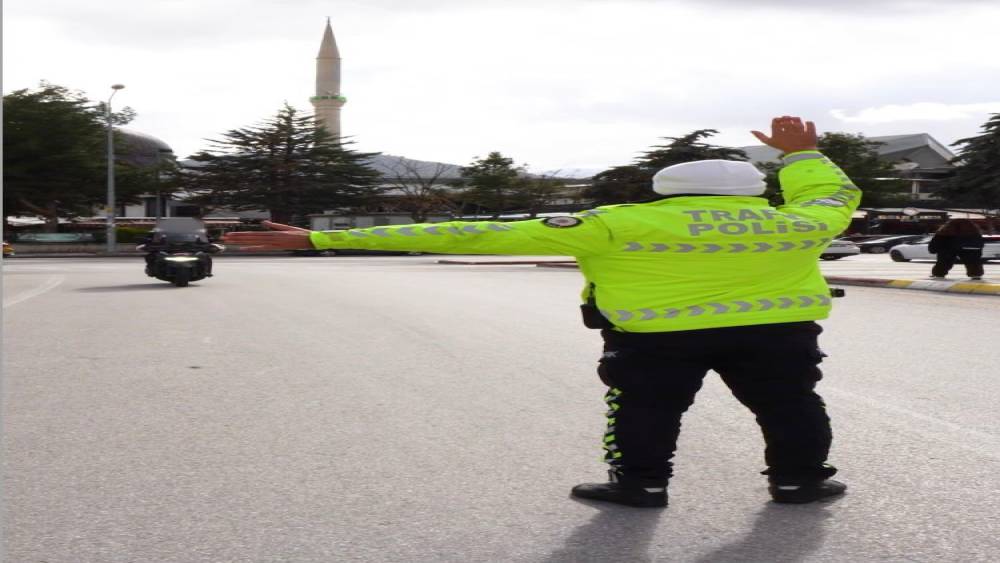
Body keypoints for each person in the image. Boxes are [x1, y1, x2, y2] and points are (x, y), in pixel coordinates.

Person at [224, 116, 860, 508]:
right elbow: (833, 192)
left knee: (644, 409)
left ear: (663, 187)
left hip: (657, 339)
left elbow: (472, 234)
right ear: (754, 188)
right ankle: (799, 483)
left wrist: (319, 236)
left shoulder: (610, 223)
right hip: (777, 333)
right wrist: (800, 152)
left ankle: (640, 487)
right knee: (790, 405)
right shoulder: (798, 221)